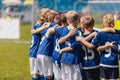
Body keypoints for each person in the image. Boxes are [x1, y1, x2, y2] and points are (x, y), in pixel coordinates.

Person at [76, 14, 120, 80]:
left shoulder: (80, 35)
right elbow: (93, 46)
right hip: (100, 63)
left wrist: (81, 40)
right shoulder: (116, 34)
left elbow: (96, 47)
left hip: (94, 63)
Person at [57, 11, 82, 80]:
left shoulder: (63, 29)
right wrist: (69, 35)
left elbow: (59, 41)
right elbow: (74, 47)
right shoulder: (78, 32)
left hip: (64, 58)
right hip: (73, 59)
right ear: (76, 20)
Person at [45, 13, 68, 80]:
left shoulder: (56, 30)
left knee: (58, 77)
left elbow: (47, 36)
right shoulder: (67, 30)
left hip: (54, 55)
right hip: (61, 56)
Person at [29, 15, 45, 80]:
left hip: (36, 52)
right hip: (35, 53)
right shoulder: (39, 28)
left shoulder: (36, 26)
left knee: (40, 72)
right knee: (36, 73)